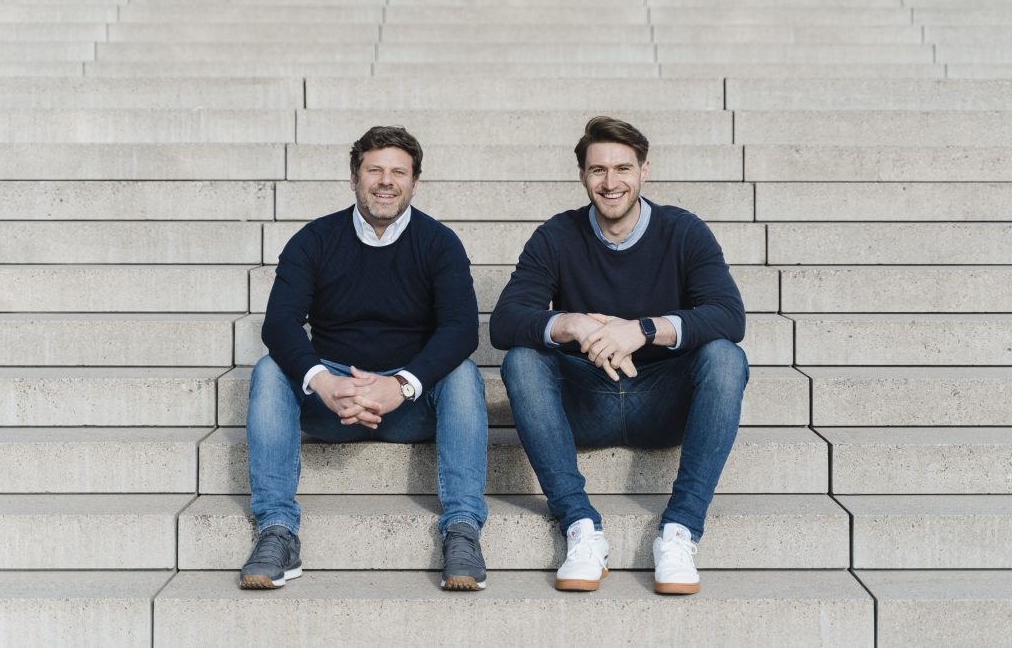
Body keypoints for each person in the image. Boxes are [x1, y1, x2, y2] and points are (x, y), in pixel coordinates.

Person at [489, 116, 748, 595]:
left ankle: (680, 531)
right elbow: (505, 322)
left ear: (645, 170)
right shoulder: (556, 235)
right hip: (585, 402)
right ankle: (580, 526)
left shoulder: (684, 232)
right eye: (598, 170)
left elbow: (730, 316)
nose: (611, 183)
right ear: (582, 175)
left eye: (623, 168)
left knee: (726, 358)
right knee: (521, 361)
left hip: (662, 402)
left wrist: (642, 330)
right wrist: (573, 323)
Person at [241, 126, 488, 591]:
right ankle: (277, 529)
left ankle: (462, 529)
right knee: (270, 370)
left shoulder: (439, 243)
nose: (386, 181)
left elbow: (461, 329)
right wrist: (325, 383)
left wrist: (401, 385)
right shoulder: (314, 240)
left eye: (399, 171)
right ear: (353, 178)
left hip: (409, 402)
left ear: (415, 181)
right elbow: (279, 324)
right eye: (374, 170)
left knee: (463, 374)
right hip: (334, 399)